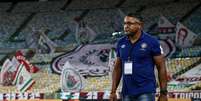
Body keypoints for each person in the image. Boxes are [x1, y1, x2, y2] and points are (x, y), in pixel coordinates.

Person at [110, 13, 168, 101]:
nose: (126, 26)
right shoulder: (121, 43)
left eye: (130, 23)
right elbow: (117, 68)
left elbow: (161, 67)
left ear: (139, 25)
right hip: (126, 92)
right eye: (125, 23)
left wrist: (163, 93)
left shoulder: (152, 42)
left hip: (146, 91)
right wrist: (113, 91)